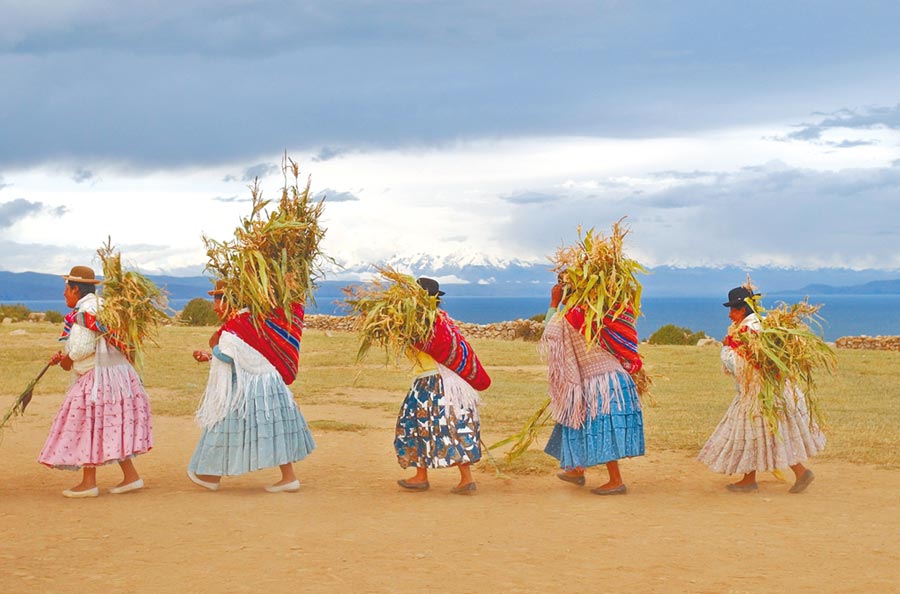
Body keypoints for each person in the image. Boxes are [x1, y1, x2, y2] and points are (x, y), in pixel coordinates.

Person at [187, 281, 315, 493]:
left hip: (254, 388)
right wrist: (211, 355)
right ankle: (287, 477)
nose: (214, 307)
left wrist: (215, 350)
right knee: (273, 428)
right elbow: (247, 357)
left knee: (222, 425)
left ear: (229, 302)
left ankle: (209, 475)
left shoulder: (238, 326)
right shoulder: (255, 322)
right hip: (267, 385)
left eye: (217, 301)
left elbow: (229, 357)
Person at [38, 266, 153, 498]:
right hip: (117, 376)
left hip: (97, 378)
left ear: (76, 289)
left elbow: (81, 349)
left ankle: (89, 483)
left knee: (86, 424)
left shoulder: (84, 313)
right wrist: (66, 356)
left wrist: (66, 359)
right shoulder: (105, 308)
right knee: (107, 425)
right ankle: (131, 477)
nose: (64, 294)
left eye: (66, 289)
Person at [697, 286, 823, 493]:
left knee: (759, 434)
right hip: (769, 391)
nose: (730, 315)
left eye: (734, 310)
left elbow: (739, 366)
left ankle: (795, 472)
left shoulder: (748, 332)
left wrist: (726, 348)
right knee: (764, 434)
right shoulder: (761, 325)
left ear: (743, 309)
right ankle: (760, 477)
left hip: (757, 395)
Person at [541, 278, 645, 495]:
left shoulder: (572, 316)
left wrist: (553, 303)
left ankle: (616, 481)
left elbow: (549, 333)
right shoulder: (600, 313)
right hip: (613, 379)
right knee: (574, 422)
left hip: (602, 384)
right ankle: (576, 469)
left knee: (602, 428)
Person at [395, 278, 490, 494]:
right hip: (449, 381)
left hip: (432, 382)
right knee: (447, 426)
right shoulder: (442, 320)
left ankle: (430, 477)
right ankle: (448, 477)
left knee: (420, 425)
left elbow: (418, 341)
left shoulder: (422, 323)